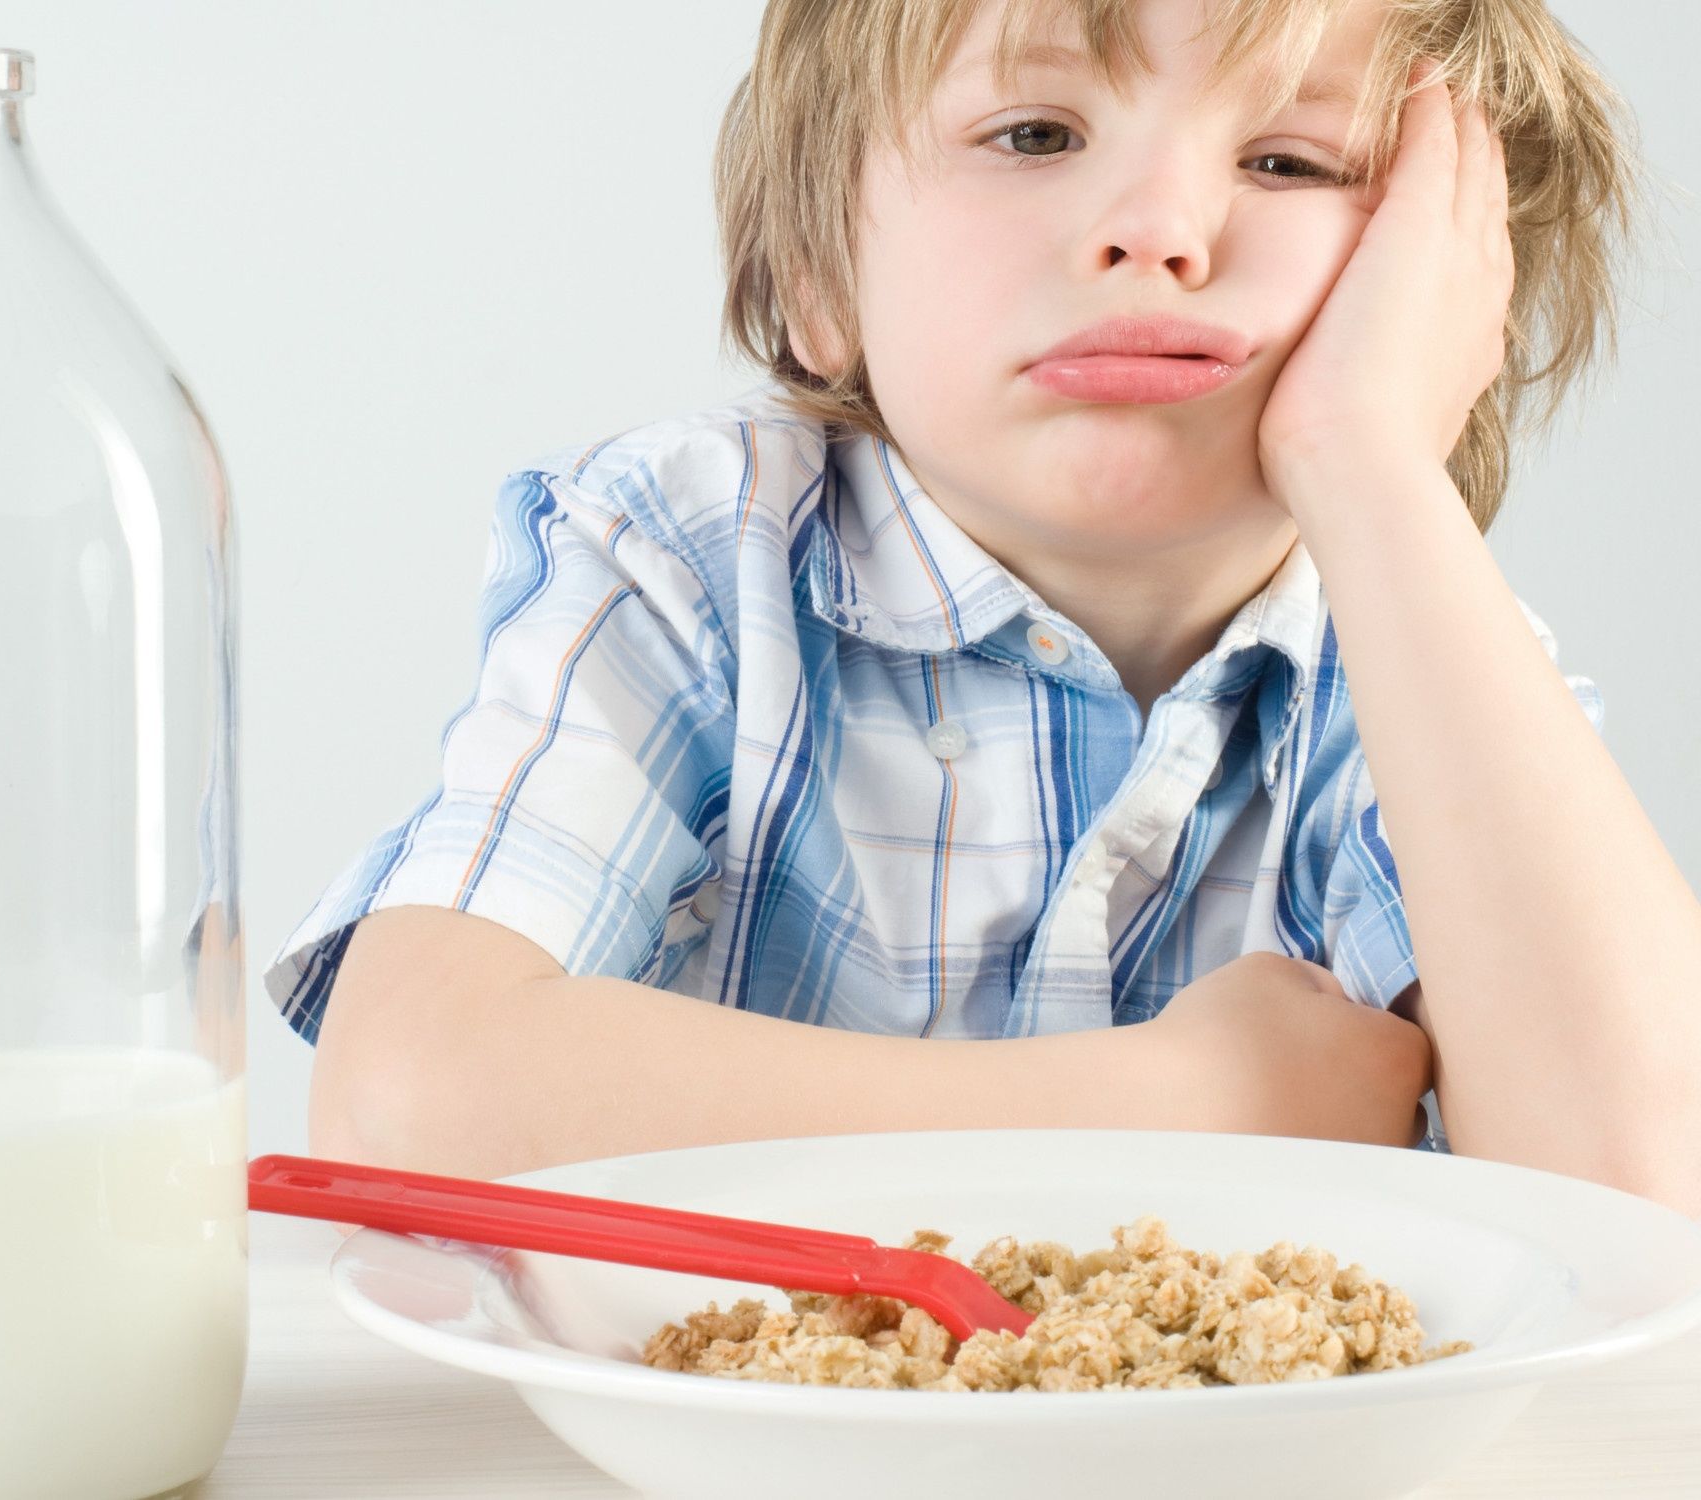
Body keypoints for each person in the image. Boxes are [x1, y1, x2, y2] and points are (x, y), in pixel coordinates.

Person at [266, 0, 1700, 1215]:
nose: (1159, 230)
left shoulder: (1419, 662)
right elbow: (408, 1106)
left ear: (1452, 302)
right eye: (1036, 135)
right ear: (821, 276)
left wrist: (1376, 464)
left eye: (1289, 157)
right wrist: (1177, 1106)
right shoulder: (701, 555)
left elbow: (1643, 1192)